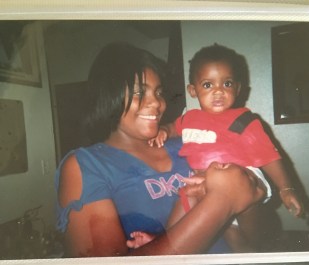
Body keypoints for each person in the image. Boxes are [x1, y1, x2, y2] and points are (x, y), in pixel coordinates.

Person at [55, 42, 268, 257]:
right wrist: (222, 201)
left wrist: (246, 193)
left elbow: (254, 240)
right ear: (109, 95)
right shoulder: (86, 165)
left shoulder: (190, 144)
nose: (157, 103)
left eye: (158, 92)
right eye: (140, 92)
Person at [144, 43, 304, 251]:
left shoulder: (244, 120)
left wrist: (286, 188)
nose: (218, 91)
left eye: (226, 84)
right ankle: (165, 241)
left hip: (244, 178)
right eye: (208, 85)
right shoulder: (190, 118)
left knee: (251, 244)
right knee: (187, 200)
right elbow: (174, 127)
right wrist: (164, 131)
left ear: (237, 88)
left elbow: (269, 156)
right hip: (205, 184)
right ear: (193, 90)